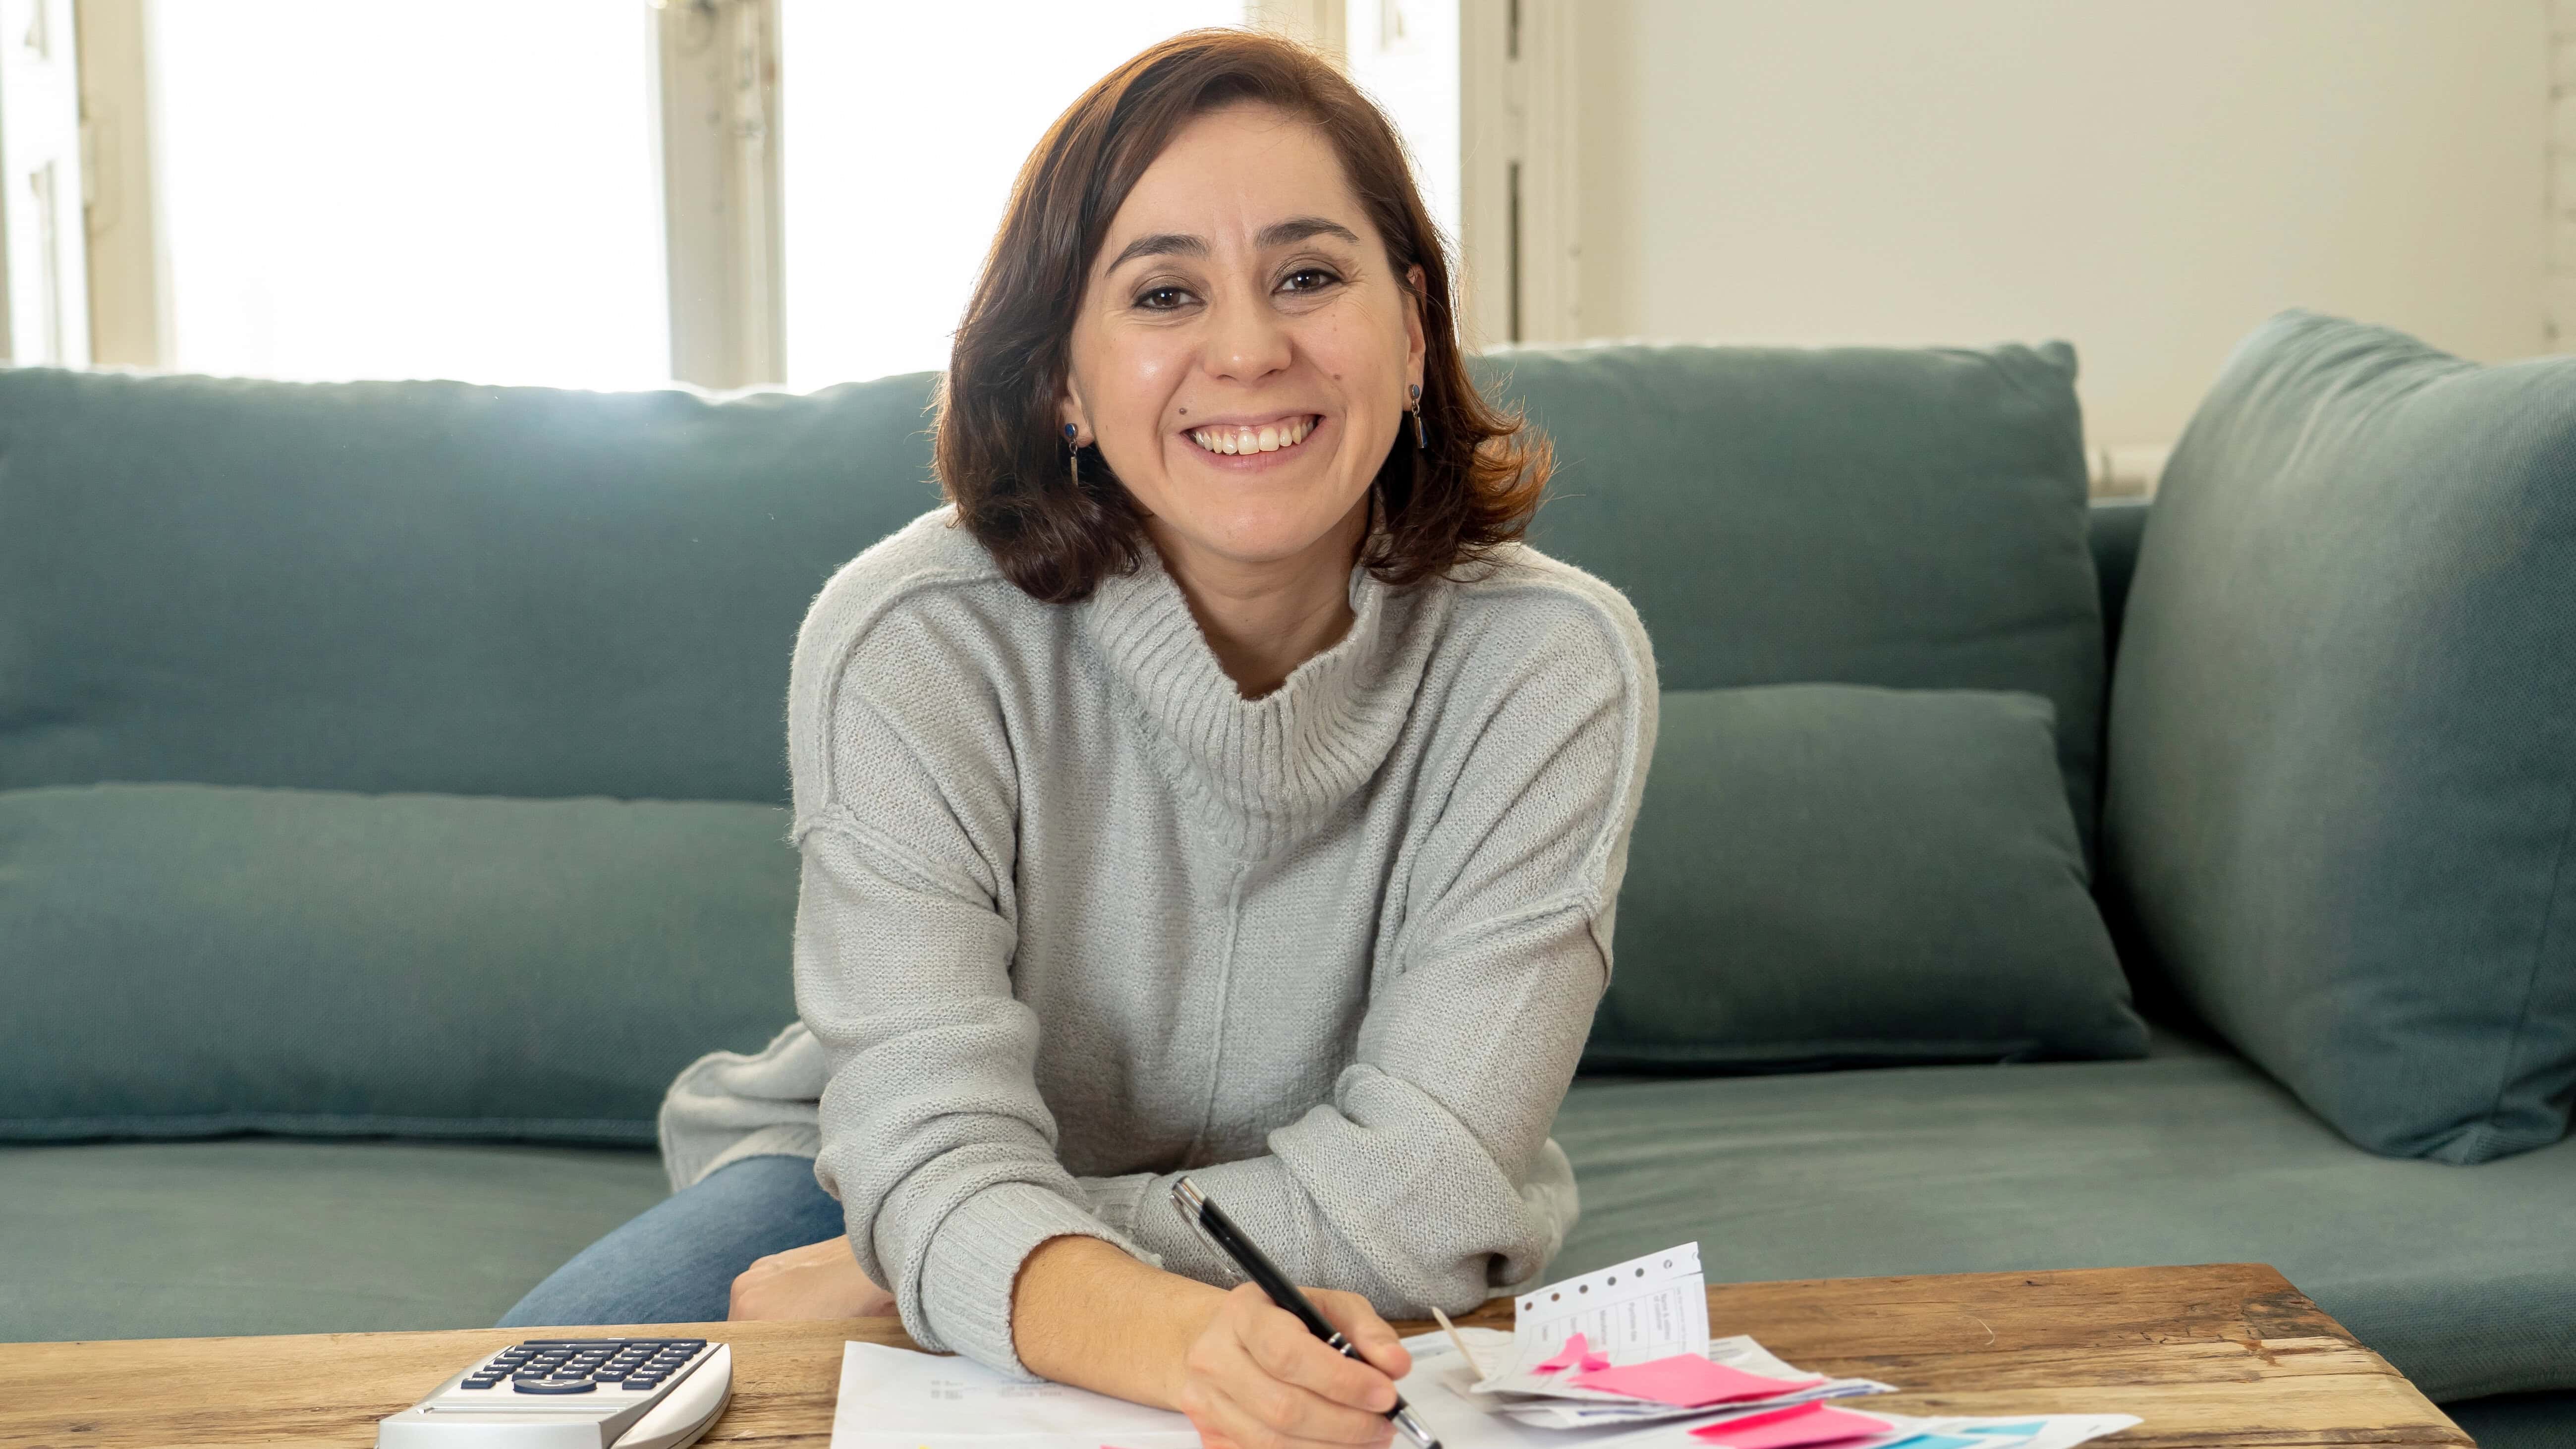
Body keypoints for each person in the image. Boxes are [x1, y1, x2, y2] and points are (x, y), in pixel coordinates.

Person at [504, 27, 1656, 1449]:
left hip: (1021, 1243)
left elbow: (1421, 1196)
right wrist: (1031, 1270)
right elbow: (922, 1148)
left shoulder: (1552, 663)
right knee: (477, 1419)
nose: (1247, 348)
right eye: (1164, 292)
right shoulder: (912, 638)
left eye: (1308, 274)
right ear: (1062, 376)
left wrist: (955, 1268)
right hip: (845, 1186)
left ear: (1413, 327)